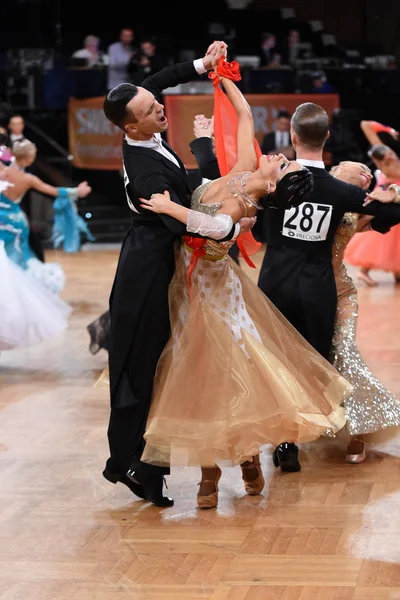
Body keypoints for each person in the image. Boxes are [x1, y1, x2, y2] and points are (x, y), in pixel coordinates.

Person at [138, 57, 351, 509]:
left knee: (218, 385)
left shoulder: (243, 209)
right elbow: (246, 116)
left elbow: (207, 228)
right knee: (206, 385)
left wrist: (169, 208)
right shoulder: (245, 169)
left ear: (273, 188)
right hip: (188, 290)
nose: (280, 157)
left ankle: (214, 477)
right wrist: (223, 78)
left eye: (284, 166)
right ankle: (246, 464)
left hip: (218, 301)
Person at [101, 41, 247, 508]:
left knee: (161, 368)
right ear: (131, 126)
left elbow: (160, 78)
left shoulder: (143, 123)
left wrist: (204, 64)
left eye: (154, 102)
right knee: (141, 369)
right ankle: (132, 464)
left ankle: (145, 462)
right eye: (149, 109)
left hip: (159, 259)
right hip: (147, 272)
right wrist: (229, 210)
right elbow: (183, 218)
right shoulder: (147, 174)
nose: (159, 107)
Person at [257, 102, 400, 472]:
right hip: (318, 290)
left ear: (291, 137)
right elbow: (389, 212)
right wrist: (392, 194)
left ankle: (287, 441)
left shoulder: (272, 181)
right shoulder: (339, 192)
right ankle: (306, 429)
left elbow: (254, 225)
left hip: (272, 286)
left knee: (281, 364)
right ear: (328, 139)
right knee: (315, 365)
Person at [327, 160, 400, 463]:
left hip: (341, 290)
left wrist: (394, 193)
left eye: (370, 173)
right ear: (337, 168)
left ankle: (358, 430)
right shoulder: (309, 187)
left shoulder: (359, 209)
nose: (368, 172)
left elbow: (393, 215)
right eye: (360, 166)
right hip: (301, 287)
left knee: (345, 353)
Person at [0, 140, 92, 293]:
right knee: (19, 259)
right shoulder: (28, 179)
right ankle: (18, 293)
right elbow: (55, 191)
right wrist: (77, 191)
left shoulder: (3, 171)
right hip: (16, 223)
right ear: (29, 159)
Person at [344, 120, 400, 286]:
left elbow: (365, 125)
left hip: (390, 195)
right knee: (384, 238)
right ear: (383, 160)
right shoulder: (390, 166)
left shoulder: (383, 155)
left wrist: (388, 129)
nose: (390, 152)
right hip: (392, 197)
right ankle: (364, 271)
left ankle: (397, 273)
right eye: (388, 153)